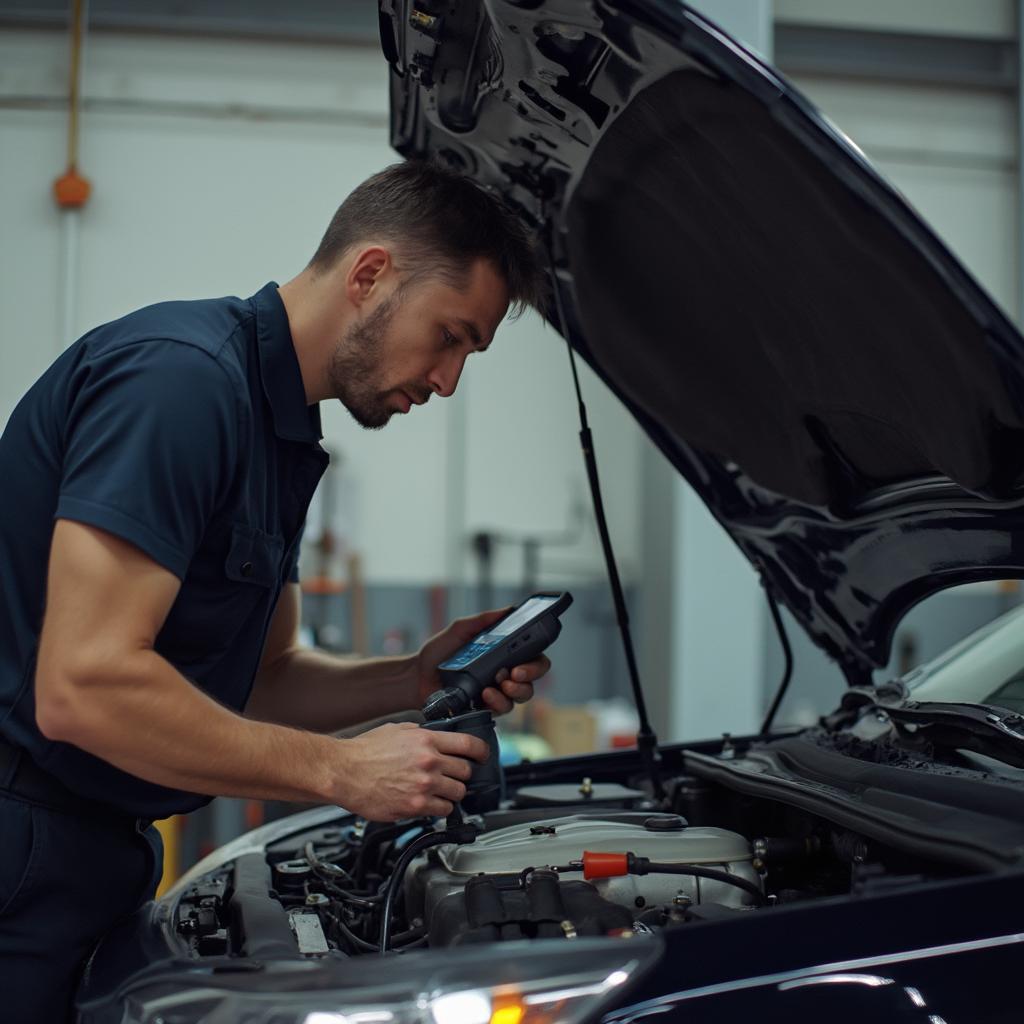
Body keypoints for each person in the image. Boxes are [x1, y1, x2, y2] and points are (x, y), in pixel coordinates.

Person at [0, 160, 550, 1021]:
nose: (447, 382)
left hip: (97, 851)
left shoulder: (277, 431)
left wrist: (412, 677)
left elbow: (261, 679)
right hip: (21, 845)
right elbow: (83, 688)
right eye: (450, 337)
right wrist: (342, 772)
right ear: (371, 275)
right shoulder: (180, 385)